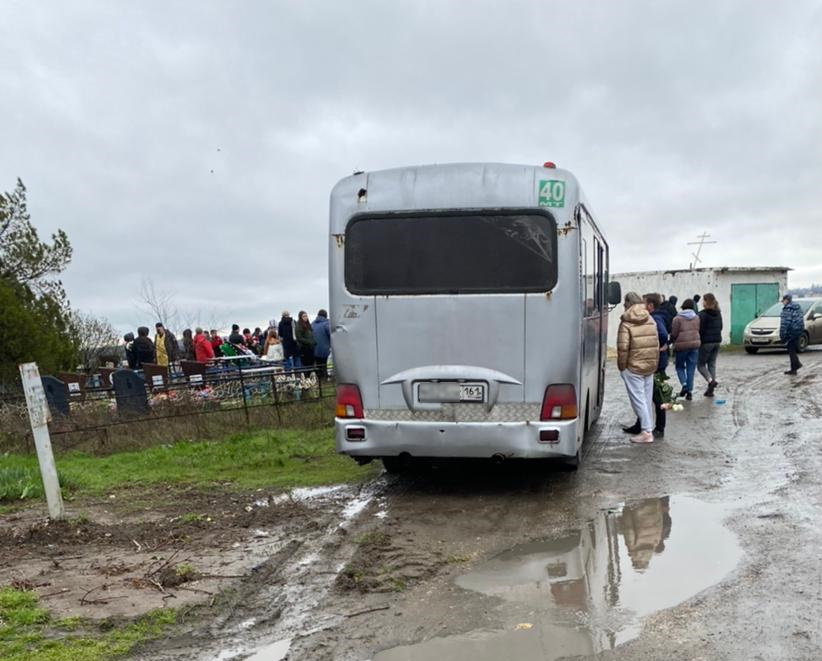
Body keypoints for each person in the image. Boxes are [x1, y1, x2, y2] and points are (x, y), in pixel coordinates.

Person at [623, 294, 669, 437]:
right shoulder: (649, 318)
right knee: (645, 396)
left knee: (656, 396)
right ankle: (642, 425)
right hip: (651, 362)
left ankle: (658, 427)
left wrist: (661, 346)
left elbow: (662, 334)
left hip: (653, 363)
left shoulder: (654, 318)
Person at [617, 292, 659, 444]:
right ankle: (648, 428)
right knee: (646, 399)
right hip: (649, 365)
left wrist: (622, 368)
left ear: (628, 303)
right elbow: (656, 343)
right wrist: (655, 363)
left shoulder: (626, 321)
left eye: (624, 303)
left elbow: (623, 348)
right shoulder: (650, 318)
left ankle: (646, 431)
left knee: (638, 400)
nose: (623, 306)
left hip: (633, 367)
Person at [671, 299, 701, 400]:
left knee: (679, 367)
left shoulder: (677, 319)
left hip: (681, 346)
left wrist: (672, 341)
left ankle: (684, 384)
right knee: (691, 368)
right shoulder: (697, 317)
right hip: (695, 345)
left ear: (683, 306)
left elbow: (674, 333)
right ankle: (689, 392)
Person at [697, 293, 723, 396]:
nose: (702, 302)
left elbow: (700, 329)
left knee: (701, 365)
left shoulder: (702, 314)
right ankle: (710, 389)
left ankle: (710, 381)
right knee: (712, 364)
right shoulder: (718, 313)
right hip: (717, 341)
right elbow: (721, 326)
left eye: (703, 300)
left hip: (706, 342)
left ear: (706, 302)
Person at [780, 294, 805, 375]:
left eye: (783, 300)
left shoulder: (787, 309)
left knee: (791, 349)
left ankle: (795, 367)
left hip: (791, 331)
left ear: (787, 300)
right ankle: (795, 366)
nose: (782, 302)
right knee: (792, 349)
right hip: (798, 330)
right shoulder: (797, 307)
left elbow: (785, 324)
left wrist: (782, 335)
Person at [313, 309, 331, 380]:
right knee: (326, 364)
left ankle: (319, 378)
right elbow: (331, 335)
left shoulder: (313, 324)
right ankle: (325, 378)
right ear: (326, 315)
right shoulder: (327, 324)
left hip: (315, 349)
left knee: (318, 365)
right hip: (326, 349)